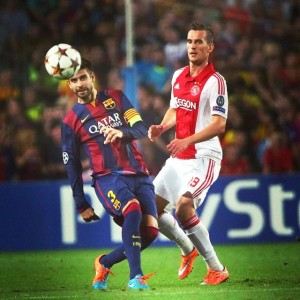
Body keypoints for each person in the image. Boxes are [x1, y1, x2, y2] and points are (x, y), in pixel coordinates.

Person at [61, 58, 158, 291]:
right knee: (132, 208)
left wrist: (121, 132)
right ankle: (136, 277)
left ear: (92, 77)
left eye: (83, 77)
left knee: (151, 232)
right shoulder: (70, 120)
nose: (79, 83)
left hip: (139, 173)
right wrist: (81, 202)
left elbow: (141, 128)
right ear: (70, 86)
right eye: (74, 80)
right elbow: (71, 163)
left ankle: (104, 263)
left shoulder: (117, 97)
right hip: (107, 177)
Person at [148, 22, 229, 285]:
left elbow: (219, 124)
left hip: (204, 157)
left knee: (184, 206)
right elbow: (175, 109)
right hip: (179, 159)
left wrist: (186, 140)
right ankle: (187, 248)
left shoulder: (216, 82)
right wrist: (162, 126)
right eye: (189, 41)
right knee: (151, 209)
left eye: (199, 42)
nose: (193, 46)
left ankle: (216, 268)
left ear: (210, 47)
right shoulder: (179, 75)